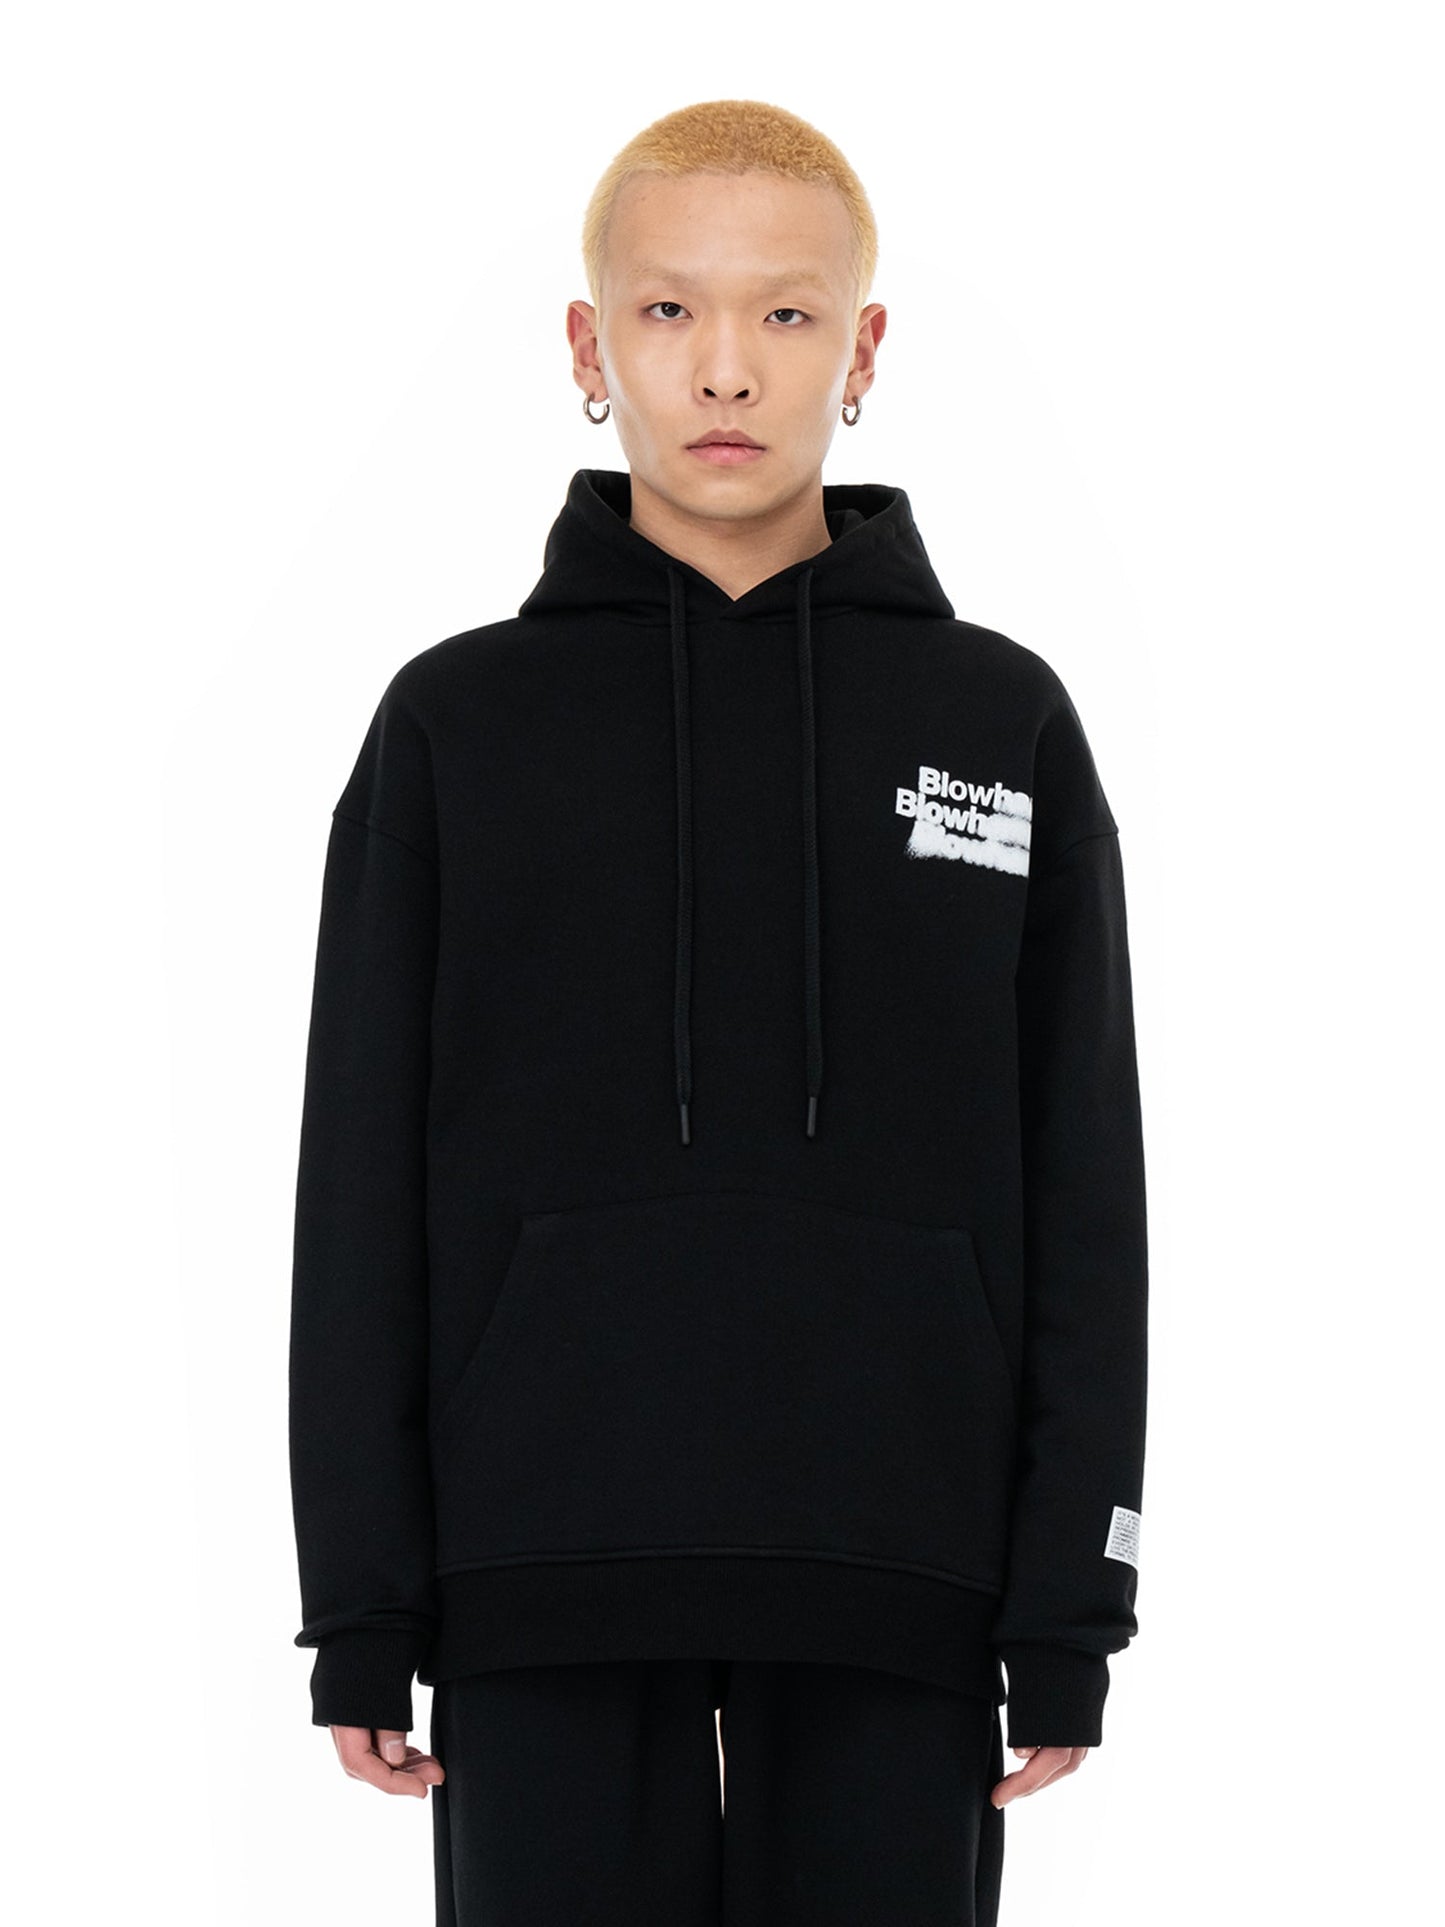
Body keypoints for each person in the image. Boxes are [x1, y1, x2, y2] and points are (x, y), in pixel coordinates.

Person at [288, 97, 1149, 1927]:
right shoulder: (455, 723)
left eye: (786, 312)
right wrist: (361, 1600)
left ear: (865, 348)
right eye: (669, 310)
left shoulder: (998, 721)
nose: (727, 368)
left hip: (901, 1561)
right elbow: (355, 1181)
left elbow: (1085, 1182)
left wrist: (1070, 1606)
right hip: (542, 1557)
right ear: (588, 346)